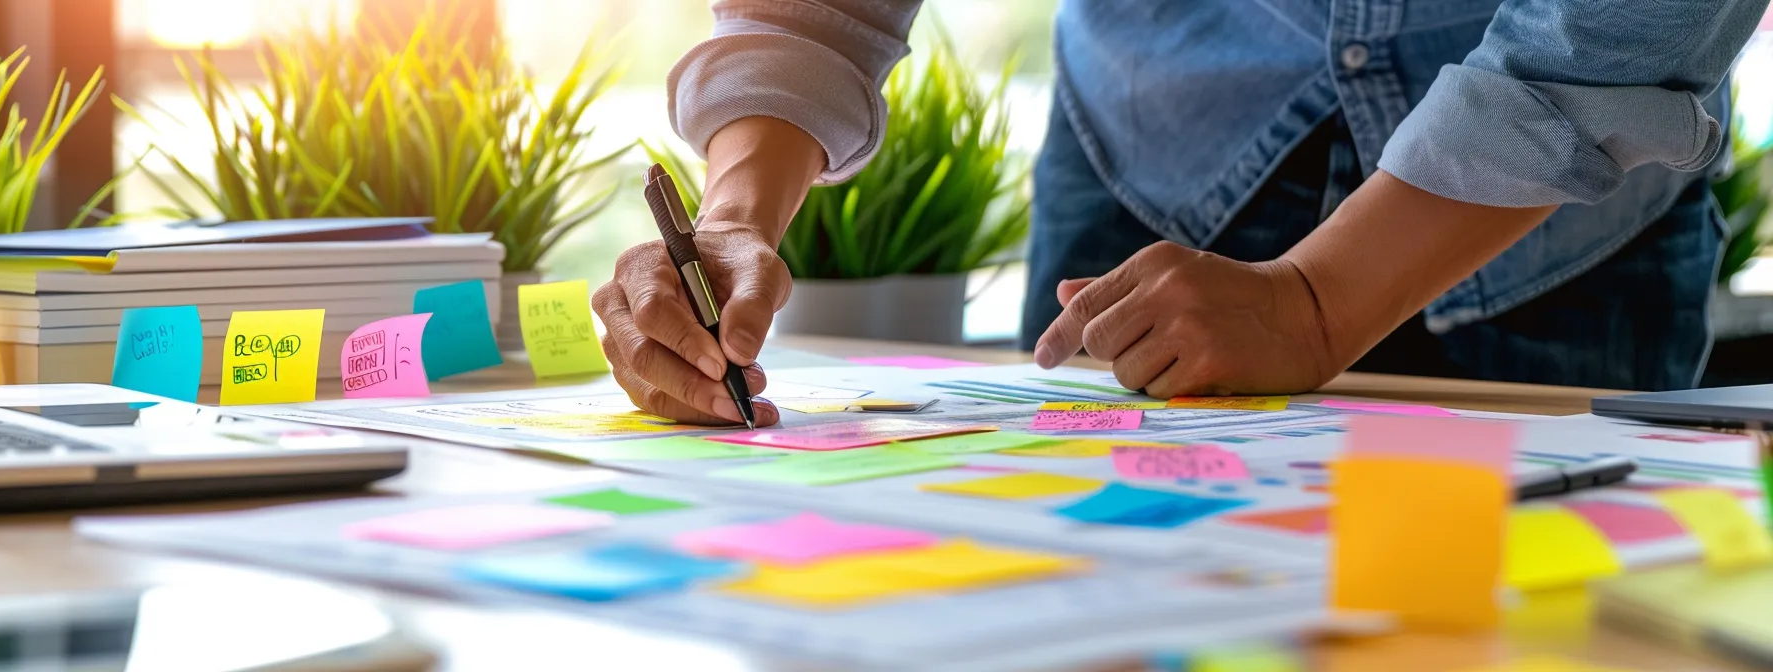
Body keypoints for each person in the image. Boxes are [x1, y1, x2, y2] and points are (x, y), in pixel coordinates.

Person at [594, 0, 1768, 427]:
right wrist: (738, 210)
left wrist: (1317, 304)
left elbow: (1625, 24)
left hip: (1546, 229)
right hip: (1143, 161)